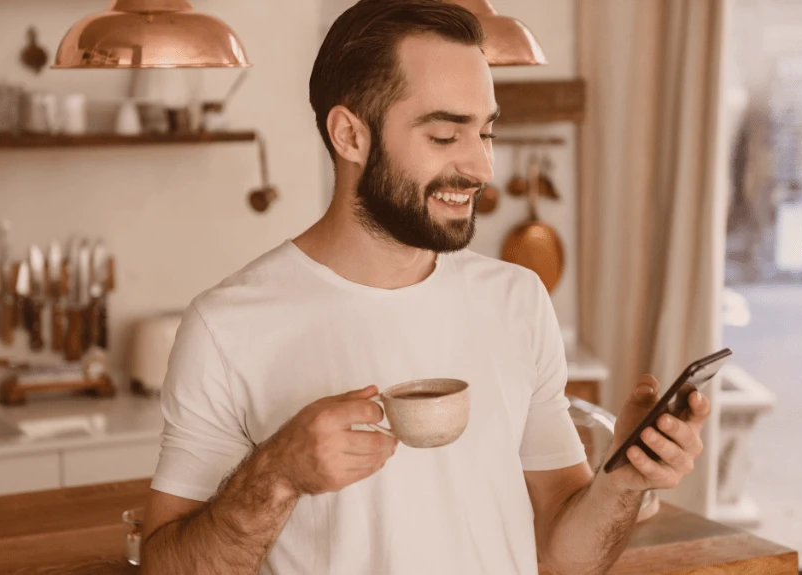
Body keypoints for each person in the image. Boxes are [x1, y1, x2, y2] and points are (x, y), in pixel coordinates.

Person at [140, 1, 711, 573]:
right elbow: (168, 564)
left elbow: (563, 556)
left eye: (485, 131)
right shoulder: (227, 325)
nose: (482, 166)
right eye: (445, 136)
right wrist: (278, 474)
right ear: (349, 135)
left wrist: (623, 481)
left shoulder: (517, 301)